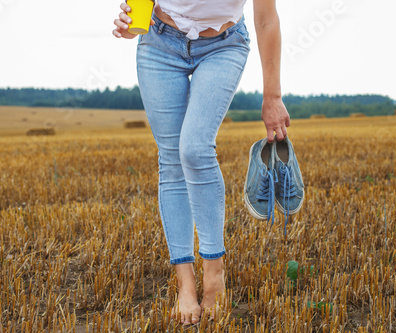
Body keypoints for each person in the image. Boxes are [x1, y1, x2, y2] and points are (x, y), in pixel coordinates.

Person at [113, 0, 290, 326]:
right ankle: (185, 283)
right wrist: (130, 21)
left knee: (194, 149)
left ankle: (214, 274)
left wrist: (272, 97)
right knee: (171, 160)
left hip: (223, 45)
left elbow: (266, 20)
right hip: (159, 41)